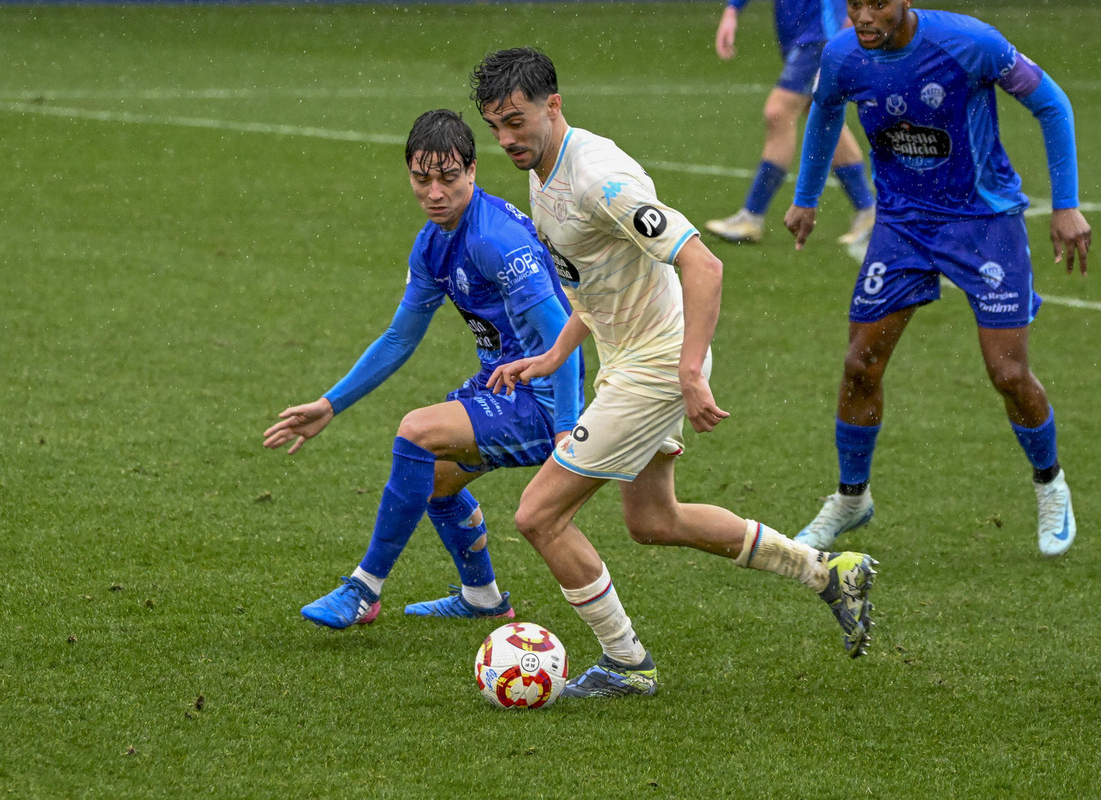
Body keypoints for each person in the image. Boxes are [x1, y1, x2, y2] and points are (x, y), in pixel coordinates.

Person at [470, 48, 878, 699]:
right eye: (495, 125)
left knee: (538, 516)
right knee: (654, 520)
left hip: (658, 364)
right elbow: (596, 282)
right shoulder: (543, 172)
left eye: (516, 121)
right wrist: (553, 356)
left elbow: (704, 265)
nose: (506, 138)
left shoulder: (600, 179)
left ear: (553, 105)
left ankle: (628, 664)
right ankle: (827, 572)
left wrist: (689, 372)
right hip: (631, 358)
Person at [784, 0, 1089, 557]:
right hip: (902, 225)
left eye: (877, 4)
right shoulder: (844, 54)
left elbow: (1053, 104)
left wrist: (1065, 205)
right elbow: (825, 111)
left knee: (1008, 374)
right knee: (859, 366)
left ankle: (1051, 485)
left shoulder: (972, 43)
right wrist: (806, 198)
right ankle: (852, 499)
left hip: (984, 222)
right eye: (854, 5)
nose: (864, 18)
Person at [263, 109, 584, 628]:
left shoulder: (495, 242)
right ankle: (483, 597)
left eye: (448, 177)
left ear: (473, 171)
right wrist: (329, 404)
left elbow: (562, 337)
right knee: (431, 480)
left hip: (543, 398)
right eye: (421, 177)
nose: (434, 192)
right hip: (501, 383)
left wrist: (568, 428)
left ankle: (364, 589)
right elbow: (399, 338)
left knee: (416, 431)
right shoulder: (434, 243)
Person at [704, 0, 876, 246]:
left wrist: (852, 17)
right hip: (799, 34)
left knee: (778, 112)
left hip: (819, 35)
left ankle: (751, 215)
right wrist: (733, 10)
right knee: (824, 118)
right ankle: (868, 210)